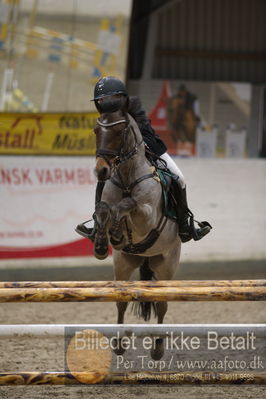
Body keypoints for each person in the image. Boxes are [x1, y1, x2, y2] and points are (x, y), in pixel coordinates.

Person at [76, 76, 211, 243]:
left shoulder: (133, 105)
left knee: (179, 178)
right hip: (120, 156)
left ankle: (185, 224)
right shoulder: (105, 117)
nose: (104, 102)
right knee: (102, 179)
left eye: (108, 98)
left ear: (120, 98)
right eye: (101, 100)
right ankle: (97, 225)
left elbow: (145, 131)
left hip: (150, 148)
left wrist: (138, 146)